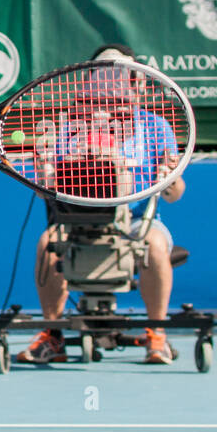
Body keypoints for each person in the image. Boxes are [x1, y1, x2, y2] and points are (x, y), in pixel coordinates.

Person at [17, 46, 186, 367]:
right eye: (106, 75)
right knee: (46, 244)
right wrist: (44, 173)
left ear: (139, 83)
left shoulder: (156, 126)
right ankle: (53, 336)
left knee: (153, 244)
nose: (117, 83)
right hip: (78, 221)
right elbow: (45, 193)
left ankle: (156, 335)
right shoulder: (68, 125)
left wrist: (170, 178)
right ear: (91, 81)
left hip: (138, 223)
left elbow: (174, 194)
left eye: (126, 76)